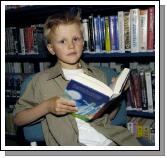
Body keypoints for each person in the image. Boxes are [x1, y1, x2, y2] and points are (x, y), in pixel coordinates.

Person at [13, 10, 141, 146]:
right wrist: (47, 106)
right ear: (51, 48)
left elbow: (108, 119)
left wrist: (116, 96)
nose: (71, 46)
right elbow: (18, 119)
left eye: (75, 39)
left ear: (83, 42)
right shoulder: (40, 81)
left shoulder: (98, 75)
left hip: (110, 142)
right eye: (62, 41)